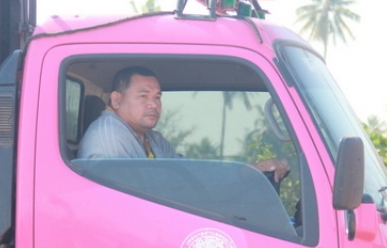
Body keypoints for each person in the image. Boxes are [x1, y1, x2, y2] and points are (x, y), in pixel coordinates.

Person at [77, 66, 290, 183]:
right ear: (116, 100)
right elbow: (125, 206)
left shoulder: (153, 140)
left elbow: (192, 174)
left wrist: (249, 171)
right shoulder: (108, 141)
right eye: (143, 96)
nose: (153, 104)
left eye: (157, 97)